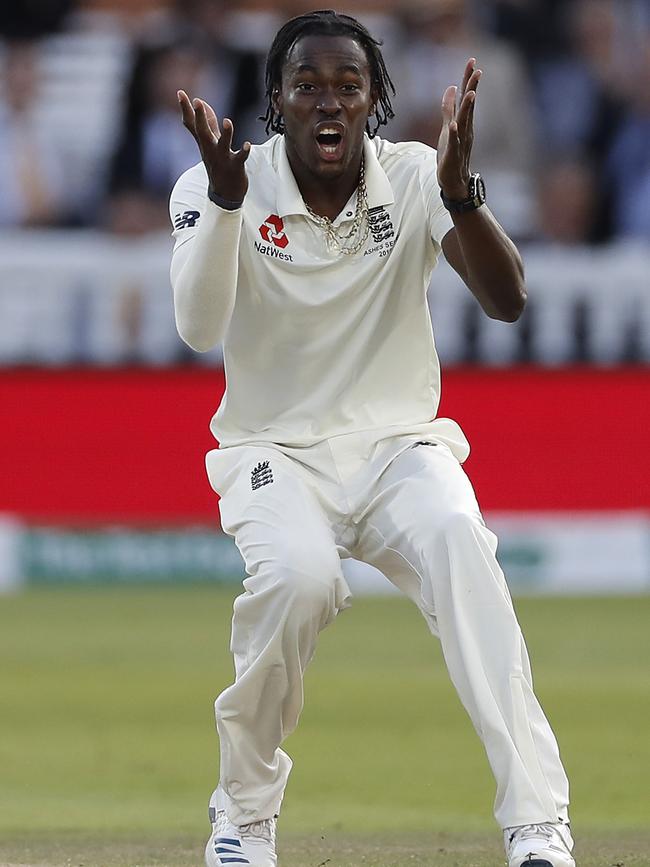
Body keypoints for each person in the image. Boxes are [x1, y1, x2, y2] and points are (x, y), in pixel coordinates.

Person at [169, 10, 575, 867]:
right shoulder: (216, 181)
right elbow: (200, 329)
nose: (328, 103)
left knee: (461, 540)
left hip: (398, 446)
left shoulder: (419, 174)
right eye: (307, 86)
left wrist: (463, 196)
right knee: (297, 579)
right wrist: (226, 204)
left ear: (375, 101)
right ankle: (242, 821)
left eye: (347, 87)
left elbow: (508, 303)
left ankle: (537, 824)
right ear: (276, 100)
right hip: (274, 451)